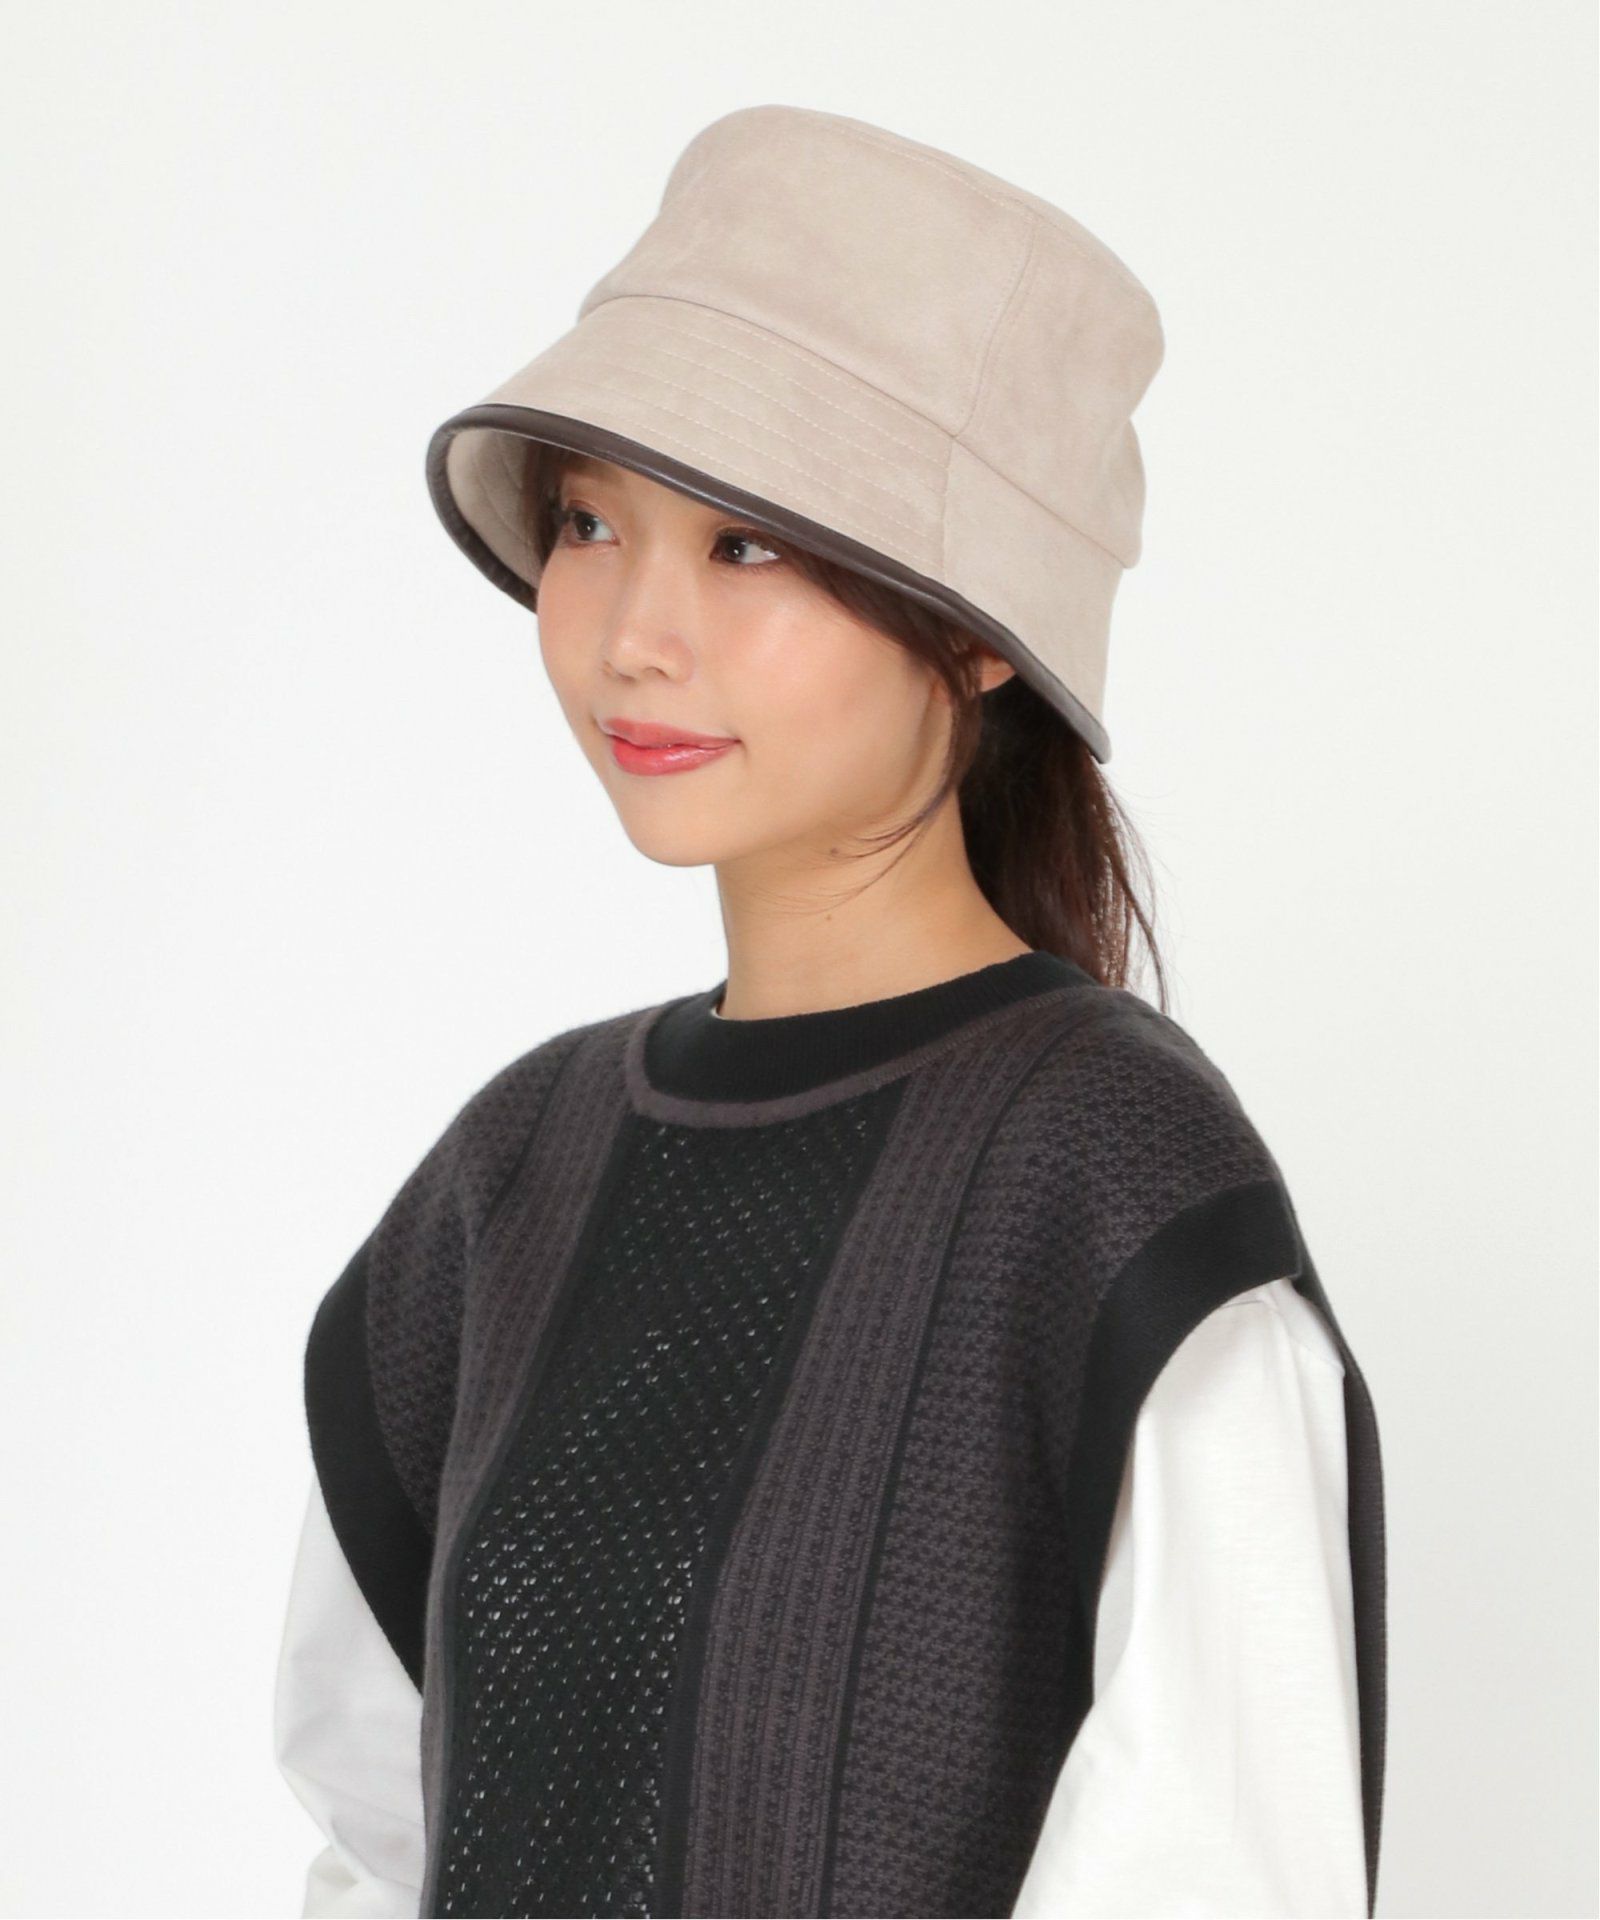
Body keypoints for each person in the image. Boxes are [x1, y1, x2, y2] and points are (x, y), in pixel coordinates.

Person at [274, 104, 1387, 1920]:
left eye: (750, 546)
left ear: (980, 630)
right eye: (590, 522)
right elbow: (375, 1826)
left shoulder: (1108, 1179)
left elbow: (1221, 1872)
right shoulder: (508, 1180)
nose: (634, 634)